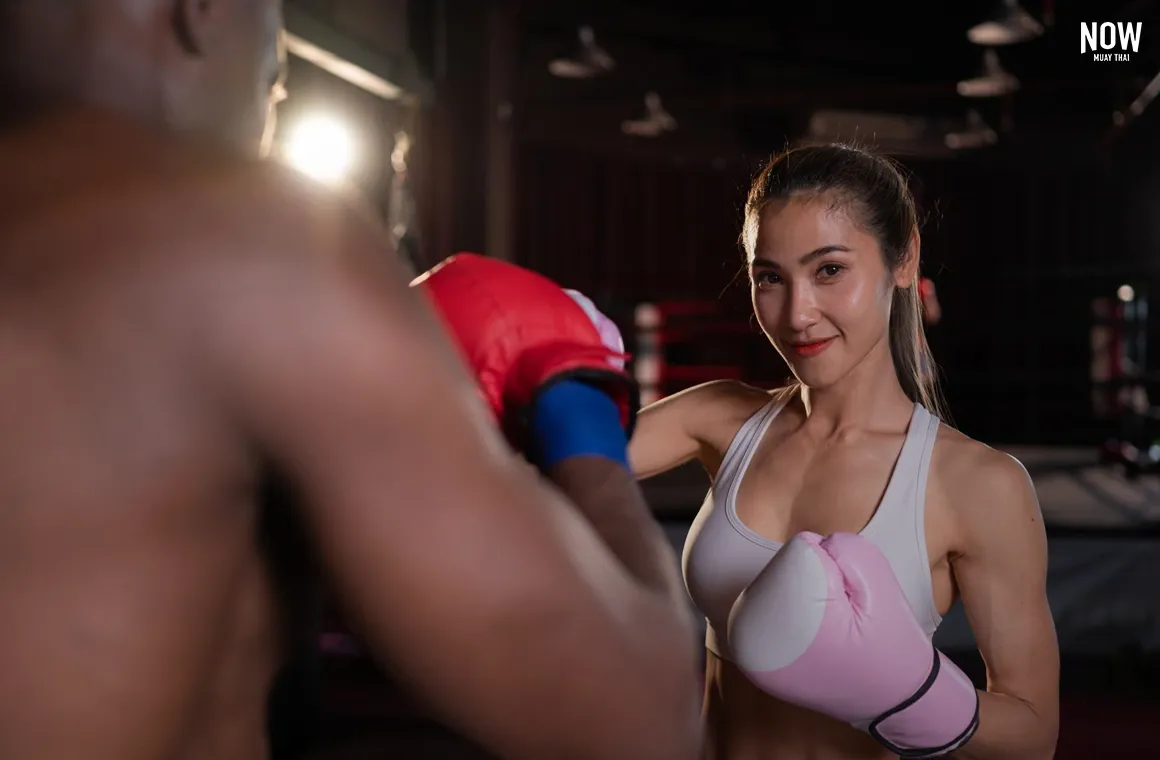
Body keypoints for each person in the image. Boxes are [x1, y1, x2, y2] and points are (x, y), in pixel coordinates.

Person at [0, 2, 703, 760]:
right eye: (276, 74)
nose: (270, 103)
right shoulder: (249, 236)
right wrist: (577, 408)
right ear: (203, 12)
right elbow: (641, 717)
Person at [629, 144, 1059, 760]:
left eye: (829, 269)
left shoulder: (975, 483)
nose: (798, 314)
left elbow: (1034, 734)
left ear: (904, 257)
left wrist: (915, 694)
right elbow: (542, 465)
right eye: (770, 277)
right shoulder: (717, 419)